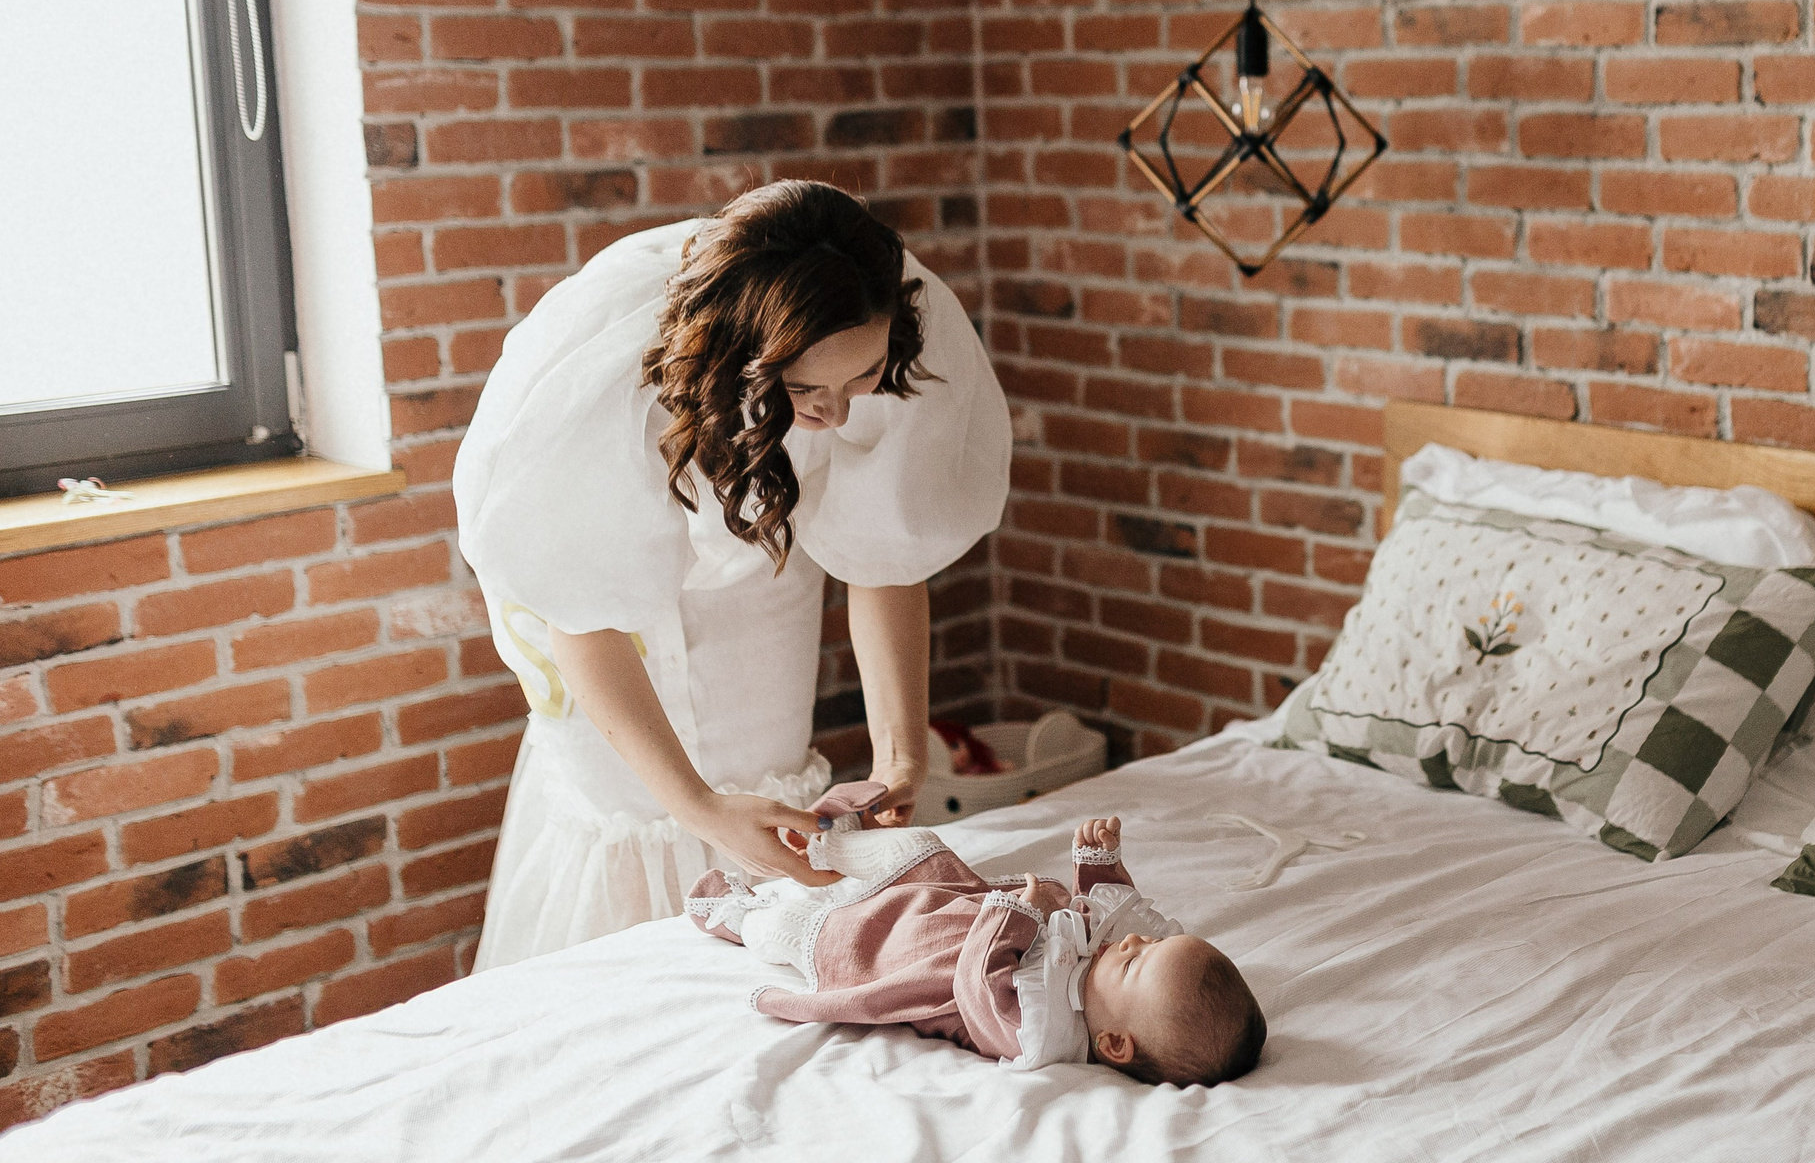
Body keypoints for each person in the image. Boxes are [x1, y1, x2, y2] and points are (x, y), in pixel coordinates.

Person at [453, 181, 1009, 970]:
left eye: (860, 380)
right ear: (740, 358)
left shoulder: (883, 320)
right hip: (606, 627)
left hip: (762, 570)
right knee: (633, 817)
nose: (838, 416)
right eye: (805, 390)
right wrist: (698, 807)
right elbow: (581, 619)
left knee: (769, 792)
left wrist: (901, 755)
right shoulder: (614, 375)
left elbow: (883, 557)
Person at [688, 807, 1266, 1087]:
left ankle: (737, 915)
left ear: (1114, 1043)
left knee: (801, 932)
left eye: (1139, 959)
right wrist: (1100, 865)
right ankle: (823, 848)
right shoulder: (1110, 983)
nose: (1137, 941)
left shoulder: (1041, 1030)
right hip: (950, 904)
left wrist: (1024, 914)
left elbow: (977, 984)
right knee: (919, 844)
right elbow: (1110, 916)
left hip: (904, 954)